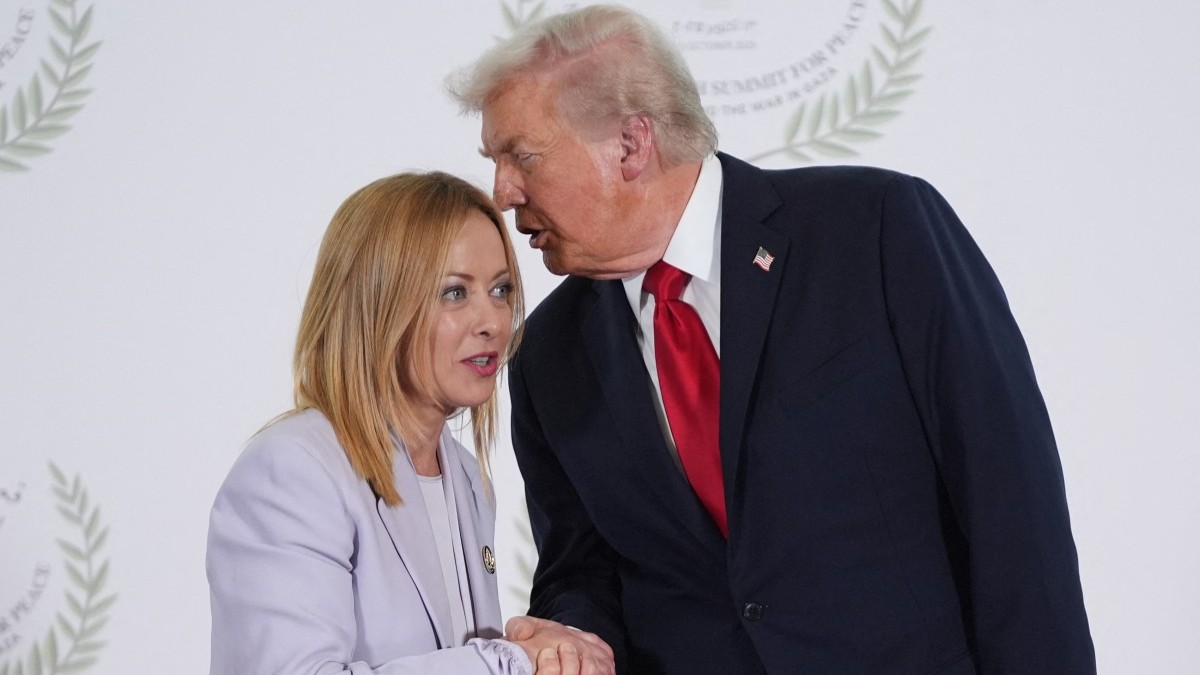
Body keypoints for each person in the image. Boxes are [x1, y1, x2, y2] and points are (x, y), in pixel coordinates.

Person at [448, 5, 1096, 674]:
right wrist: (569, 634)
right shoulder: (548, 353)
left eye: (521, 156)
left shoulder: (876, 231)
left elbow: (1010, 503)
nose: (502, 192)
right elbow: (580, 569)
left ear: (631, 144)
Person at [206, 172, 614, 675]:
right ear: (377, 305)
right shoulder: (292, 470)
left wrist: (539, 645)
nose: (492, 321)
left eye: (501, 289)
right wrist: (506, 661)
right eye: (454, 293)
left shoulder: (463, 473)